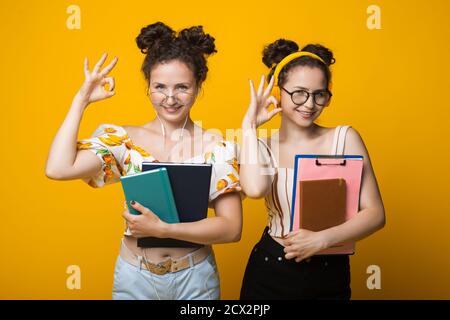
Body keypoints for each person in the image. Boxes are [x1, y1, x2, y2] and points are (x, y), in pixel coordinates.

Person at [45, 22, 243, 300]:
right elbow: (58, 169)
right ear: (148, 87)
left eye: (182, 87)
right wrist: (81, 100)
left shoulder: (216, 147)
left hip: (195, 278)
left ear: (198, 87)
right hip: (135, 276)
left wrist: (164, 230)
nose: (170, 98)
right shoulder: (124, 141)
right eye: (159, 86)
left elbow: (232, 229)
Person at [238, 39, 385, 299]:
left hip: (329, 271)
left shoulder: (345, 138)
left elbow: (375, 214)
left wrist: (323, 239)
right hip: (271, 268)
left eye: (319, 94)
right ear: (277, 93)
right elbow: (255, 188)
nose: (309, 104)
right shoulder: (260, 145)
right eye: (299, 92)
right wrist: (248, 127)